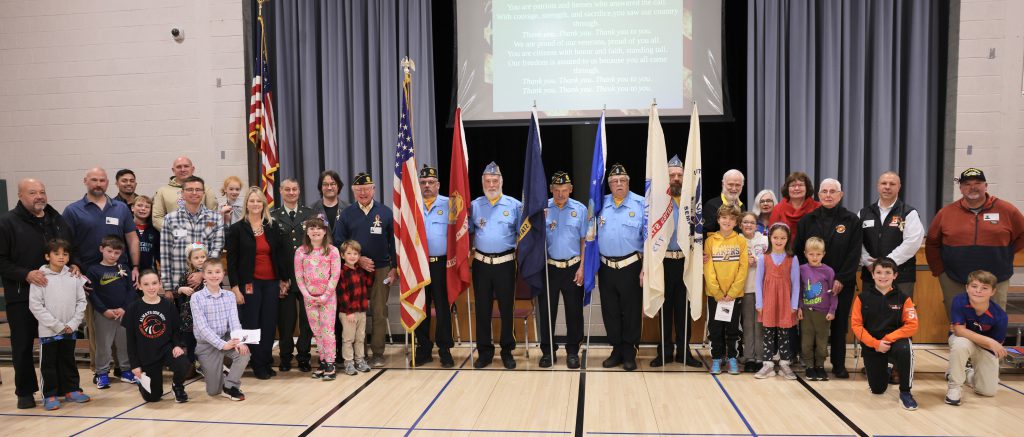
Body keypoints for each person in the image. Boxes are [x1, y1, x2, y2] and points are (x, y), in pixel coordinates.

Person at [0, 178, 76, 409]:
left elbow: (71, 249)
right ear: (20, 195)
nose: (39, 196)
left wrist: (75, 264)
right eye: (33, 192)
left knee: (59, 344)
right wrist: (25, 274)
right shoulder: (7, 223)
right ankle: (25, 391)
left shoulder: (57, 220)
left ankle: (63, 388)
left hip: (57, 298)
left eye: (42, 191)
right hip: (22, 295)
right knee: (22, 345)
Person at [926, 168, 1024, 314]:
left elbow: (1022, 235)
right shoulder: (946, 213)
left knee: (994, 322)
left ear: (986, 186)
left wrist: (1005, 253)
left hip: (996, 278)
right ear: (960, 188)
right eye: (967, 184)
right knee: (958, 323)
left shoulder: (1007, 210)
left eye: (977, 183)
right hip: (954, 279)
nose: (973, 187)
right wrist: (940, 271)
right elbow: (932, 243)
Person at [793, 178, 862, 379]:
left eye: (833, 191)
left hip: (841, 283)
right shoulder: (808, 220)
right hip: (810, 285)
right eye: (824, 191)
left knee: (839, 324)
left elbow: (854, 252)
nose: (828, 195)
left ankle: (838, 364)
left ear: (840, 195)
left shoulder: (851, 221)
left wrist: (841, 278)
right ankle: (812, 364)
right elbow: (798, 252)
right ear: (819, 195)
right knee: (811, 327)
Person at [334, 172, 397, 368]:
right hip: (353, 270)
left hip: (381, 269)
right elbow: (337, 242)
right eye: (359, 189)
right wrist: (358, 260)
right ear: (353, 192)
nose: (363, 192)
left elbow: (394, 242)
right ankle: (354, 354)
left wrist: (394, 267)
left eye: (367, 188)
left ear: (374, 189)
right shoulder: (346, 214)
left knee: (379, 311)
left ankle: (377, 352)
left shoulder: (385, 212)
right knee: (353, 312)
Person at [226, 186, 288, 380]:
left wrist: (283, 280)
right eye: (251, 201)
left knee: (269, 324)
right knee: (252, 324)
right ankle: (256, 364)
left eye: (258, 201)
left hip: (270, 283)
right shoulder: (237, 229)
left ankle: (266, 360)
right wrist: (235, 288)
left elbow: (279, 255)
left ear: (264, 204)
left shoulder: (272, 226)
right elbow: (232, 262)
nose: (255, 204)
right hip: (249, 283)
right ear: (246, 204)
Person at [469, 162, 523, 369]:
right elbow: (468, 233)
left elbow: (523, 235)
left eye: (495, 181)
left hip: (506, 264)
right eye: (488, 181)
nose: (491, 185)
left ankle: (507, 351)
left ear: (501, 182)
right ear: (483, 183)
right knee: (482, 309)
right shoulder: (474, 206)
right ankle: (484, 352)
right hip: (482, 265)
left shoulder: (515, 206)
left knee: (506, 309)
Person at [28, 239, 90, 410]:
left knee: (68, 360)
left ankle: (72, 390)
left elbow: (81, 301)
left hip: (70, 329)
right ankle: (50, 394)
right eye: (56, 254)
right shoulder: (40, 277)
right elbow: (35, 306)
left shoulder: (73, 275)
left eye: (65, 254)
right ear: (47, 256)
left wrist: (73, 323)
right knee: (49, 364)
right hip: (49, 330)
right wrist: (57, 326)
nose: (61, 257)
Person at [850, 257, 919, 411]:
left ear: (895, 275)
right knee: (877, 390)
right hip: (873, 345)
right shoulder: (862, 298)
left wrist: (888, 339)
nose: (883, 276)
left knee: (905, 348)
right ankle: (886, 366)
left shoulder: (903, 298)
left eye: (888, 272)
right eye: (879, 272)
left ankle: (905, 392)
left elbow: (912, 326)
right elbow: (856, 326)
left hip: (894, 342)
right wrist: (876, 344)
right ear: (873, 275)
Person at [653, 157, 702, 368]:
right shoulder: (657, 203)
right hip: (663, 262)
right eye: (671, 175)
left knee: (683, 310)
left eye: (679, 175)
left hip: (684, 262)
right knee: (664, 309)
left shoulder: (691, 202)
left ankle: (684, 352)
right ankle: (663, 352)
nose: (675, 178)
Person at [596, 163, 645, 371]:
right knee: (611, 311)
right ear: (609, 185)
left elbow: (650, 240)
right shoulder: (600, 204)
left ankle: (629, 352)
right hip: (606, 267)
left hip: (631, 266)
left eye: (622, 181)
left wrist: (646, 269)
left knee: (631, 312)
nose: (618, 184)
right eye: (614, 181)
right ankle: (616, 349)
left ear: (628, 183)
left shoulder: (641, 204)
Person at [537, 171, 586, 369]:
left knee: (574, 312)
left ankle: (573, 351)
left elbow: (584, 240)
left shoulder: (580, 210)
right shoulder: (542, 209)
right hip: (548, 268)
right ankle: (548, 352)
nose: (560, 194)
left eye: (564, 190)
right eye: (556, 190)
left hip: (573, 267)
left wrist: (582, 267)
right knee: (547, 311)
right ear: (550, 189)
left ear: (570, 190)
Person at [123, 270, 190, 403]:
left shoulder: (168, 305)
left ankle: (177, 386)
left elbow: (176, 330)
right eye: (146, 284)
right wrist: (135, 365)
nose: (151, 287)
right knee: (153, 398)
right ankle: (142, 380)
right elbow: (131, 340)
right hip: (146, 355)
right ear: (139, 286)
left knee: (184, 363)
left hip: (166, 349)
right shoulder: (133, 308)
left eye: (154, 283)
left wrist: (177, 345)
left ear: (160, 284)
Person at [271, 178, 317, 373]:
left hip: (308, 277)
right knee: (286, 320)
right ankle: (285, 356)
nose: (291, 192)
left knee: (307, 320)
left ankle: (304, 356)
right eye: (287, 189)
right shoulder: (272, 216)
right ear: (280, 191)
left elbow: (320, 243)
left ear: (299, 191)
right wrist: (279, 278)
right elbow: (272, 250)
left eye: (294, 189)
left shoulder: (310, 214)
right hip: (285, 277)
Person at [63, 167, 140, 280]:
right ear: (85, 181)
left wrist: (135, 267)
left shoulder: (121, 208)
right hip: (86, 274)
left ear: (107, 183)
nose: (98, 184)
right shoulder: (72, 210)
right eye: (94, 180)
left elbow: (133, 239)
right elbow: (65, 243)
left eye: (102, 180)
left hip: (118, 272)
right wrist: (72, 264)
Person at [945, 270, 1008, 406]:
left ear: (993, 292)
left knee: (988, 391)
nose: (978, 291)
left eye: (984, 288)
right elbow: (958, 331)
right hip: (964, 342)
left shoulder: (1000, 316)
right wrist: (988, 340)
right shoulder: (959, 300)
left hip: (984, 348)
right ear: (967, 288)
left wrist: (964, 331)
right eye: (974, 286)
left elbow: (995, 347)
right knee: (961, 343)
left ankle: (967, 373)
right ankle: (955, 387)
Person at [190, 258, 249, 401]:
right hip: (207, 344)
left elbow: (235, 321)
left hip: (225, 337)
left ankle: (230, 385)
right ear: (203, 275)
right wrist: (222, 344)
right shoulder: (196, 298)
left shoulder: (229, 296)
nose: (214, 275)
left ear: (223, 274)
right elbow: (202, 328)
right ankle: (220, 375)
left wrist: (239, 341)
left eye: (217, 272)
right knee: (213, 391)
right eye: (209, 272)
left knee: (244, 353)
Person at [414, 164, 455, 368]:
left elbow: (460, 233)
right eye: (423, 183)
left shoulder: (450, 204)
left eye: (431, 182)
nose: (427, 186)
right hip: (418, 265)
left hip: (441, 265)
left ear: (438, 185)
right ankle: (423, 348)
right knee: (420, 306)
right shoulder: (411, 205)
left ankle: (445, 348)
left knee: (442, 307)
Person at [159, 176, 224, 304]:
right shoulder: (170, 219)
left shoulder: (215, 219)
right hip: (180, 287)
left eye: (198, 189)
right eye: (190, 189)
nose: (194, 193)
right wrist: (167, 287)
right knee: (182, 323)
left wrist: (202, 273)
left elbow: (217, 248)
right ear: (182, 193)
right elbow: (165, 254)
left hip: (208, 283)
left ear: (203, 193)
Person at [85, 235, 138, 388]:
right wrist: (104, 310)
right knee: (103, 344)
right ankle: (102, 373)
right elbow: (92, 293)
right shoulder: (94, 270)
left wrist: (123, 308)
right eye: (109, 251)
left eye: (116, 253)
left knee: (124, 344)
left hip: (123, 313)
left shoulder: (124, 268)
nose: (112, 255)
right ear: (102, 249)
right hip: (104, 314)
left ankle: (126, 371)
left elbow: (131, 291)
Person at [859, 171, 924, 297]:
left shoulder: (909, 213)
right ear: (878, 186)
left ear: (899, 187)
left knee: (898, 314)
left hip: (901, 276)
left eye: (892, 184)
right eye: (884, 183)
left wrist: (887, 263)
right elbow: (856, 241)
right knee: (871, 314)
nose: (887, 187)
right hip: (871, 275)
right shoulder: (863, 213)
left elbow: (912, 242)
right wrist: (868, 262)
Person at [294, 218, 341, 379]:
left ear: (325, 231)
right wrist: (307, 296)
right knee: (317, 331)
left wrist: (325, 295)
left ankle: (330, 363)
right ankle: (322, 361)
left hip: (327, 299)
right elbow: (299, 277)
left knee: (328, 331)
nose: (315, 231)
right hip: (309, 299)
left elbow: (335, 276)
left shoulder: (332, 251)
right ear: (307, 231)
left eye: (319, 228)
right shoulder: (301, 251)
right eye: (312, 228)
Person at [704, 204, 748, 375]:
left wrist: (733, 292)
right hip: (715, 295)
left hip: (733, 295)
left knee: (732, 329)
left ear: (736, 221)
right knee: (715, 328)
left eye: (731, 218)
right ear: (718, 220)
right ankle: (716, 358)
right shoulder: (710, 241)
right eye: (724, 218)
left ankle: (731, 359)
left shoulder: (741, 241)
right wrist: (717, 292)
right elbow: (708, 269)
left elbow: (743, 269)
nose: (727, 221)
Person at [753, 222, 799, 380]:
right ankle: (768, 365)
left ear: (787, 239)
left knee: (784, 334)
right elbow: (758, 282)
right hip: (769, 301)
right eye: (776, 237)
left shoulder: (792, 259)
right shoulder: (763, 258)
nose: (779, 240)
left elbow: (796, 283)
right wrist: (759, 303)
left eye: (782, 238)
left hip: (786, 301)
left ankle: (785, 364)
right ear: (770, 238)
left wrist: (794, 304)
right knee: (768, 334)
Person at [798, 237, 837, 381]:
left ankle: (820, 366)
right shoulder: (801, 269)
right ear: (805, 253)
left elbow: (833, 292)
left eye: (818, 254)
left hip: (823, 313)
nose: (814, 257)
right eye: (811, 254)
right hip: (807, 313)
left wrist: (832, 310)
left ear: (823, 254)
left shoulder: (828, 271)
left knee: (822, 342)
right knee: (806, 342)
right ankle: (809, 366)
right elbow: (799, 290)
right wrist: (799, 307)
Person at [337, 240, 374, 376]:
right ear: (342, 255)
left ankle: (360, 360)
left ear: (359, 256)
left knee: (360, 338)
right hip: (348, 313)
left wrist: (369, 271)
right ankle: (348, 363)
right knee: (348, 339)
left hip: (361, 311)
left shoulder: (360, 271)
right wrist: (349, 312)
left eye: (355, 254)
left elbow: (369, 283)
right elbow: (342, 294)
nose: (352, 256)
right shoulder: (341, 272)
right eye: (349, 253)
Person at [152, 156, 219, 230]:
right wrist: (175, 231)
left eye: (186, 166)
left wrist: (198, 232)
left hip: (200, 237)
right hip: (173, 238)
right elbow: (157, 218)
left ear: (192, 169)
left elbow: (212, 215)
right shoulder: (162, 191)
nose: (183, 169)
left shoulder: (205, 189)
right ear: (173, 170)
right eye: (179, 167)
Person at [739, 211, 768, 372]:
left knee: (760, 324)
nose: (748, 225)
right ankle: (749, 357)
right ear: (740, 225)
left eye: (751, 222)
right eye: (745, 222)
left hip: (763, 289)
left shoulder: (765, 240)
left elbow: (772, 259)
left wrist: (757, 261)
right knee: (748, 324)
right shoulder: (737, 240)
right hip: (745, 288)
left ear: (756, 225)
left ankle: (760, 357)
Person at [174, 243, 208, 370]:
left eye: (203, 257)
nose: (200, 260)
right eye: (196, 258)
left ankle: (205, 364)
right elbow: (176, 290)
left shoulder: (210, 274)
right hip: (189, 315)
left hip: (205, 314)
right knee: (190, 341)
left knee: (204, 340)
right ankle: (190, 365)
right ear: (190, 260)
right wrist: (182, 289)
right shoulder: (186, 274)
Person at [703, 169, 745, 234]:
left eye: (737, 185)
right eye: (730, 184)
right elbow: (705, 233)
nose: (734, 188)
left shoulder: (742, 206)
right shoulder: (711, 205)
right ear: (723, 184)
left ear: (742, 186)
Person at [311, 170, 348, 234]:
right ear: (321, 187)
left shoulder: (348, 209)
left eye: (332, 184)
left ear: (338, 186)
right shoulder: (311, 209)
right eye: (325, 184)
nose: (329, 187)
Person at [130, 196, 160, 273]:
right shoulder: (127, 229)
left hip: (149, 272)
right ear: (132, 208)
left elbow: (159, 255)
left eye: (147, 207)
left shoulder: (155, 230)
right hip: (130, 271)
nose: (143, 209)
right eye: (139, 205)